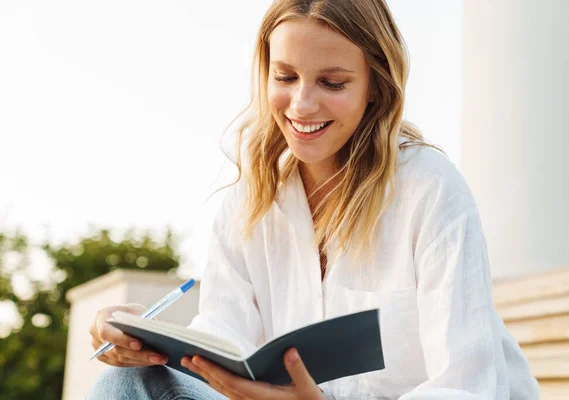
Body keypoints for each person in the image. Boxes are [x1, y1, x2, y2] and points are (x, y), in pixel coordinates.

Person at [87, 0, 540, 398]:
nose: (301, 105)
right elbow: (224, 341)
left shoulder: (430, 188)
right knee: (123, 385)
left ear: (375, 87)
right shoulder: (250, 203)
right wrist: (144, 340)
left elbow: (469, 386)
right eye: (285, 76)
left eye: (333, 83)